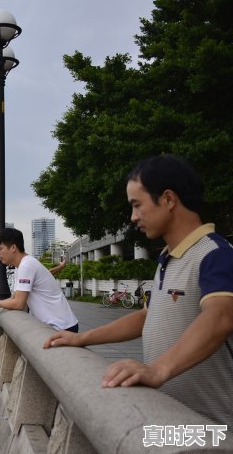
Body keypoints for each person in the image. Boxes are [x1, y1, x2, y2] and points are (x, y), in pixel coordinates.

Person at [43, 154, 233, 425]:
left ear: (168, 199)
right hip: (170, 413)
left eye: (137, 205)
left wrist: (157, 369)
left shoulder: (214, 254)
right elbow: (145, 317)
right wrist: (81, 338)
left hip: (212, 426)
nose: (133, 217)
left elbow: (221, 315)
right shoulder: (169, 259)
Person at [0, 228, 79, 332]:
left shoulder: (26, 265)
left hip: (61, 326)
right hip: (59, 325)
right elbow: (15, 298)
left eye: (0, 249)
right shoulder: (21, 266)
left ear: (13, 247)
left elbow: (18, 303)